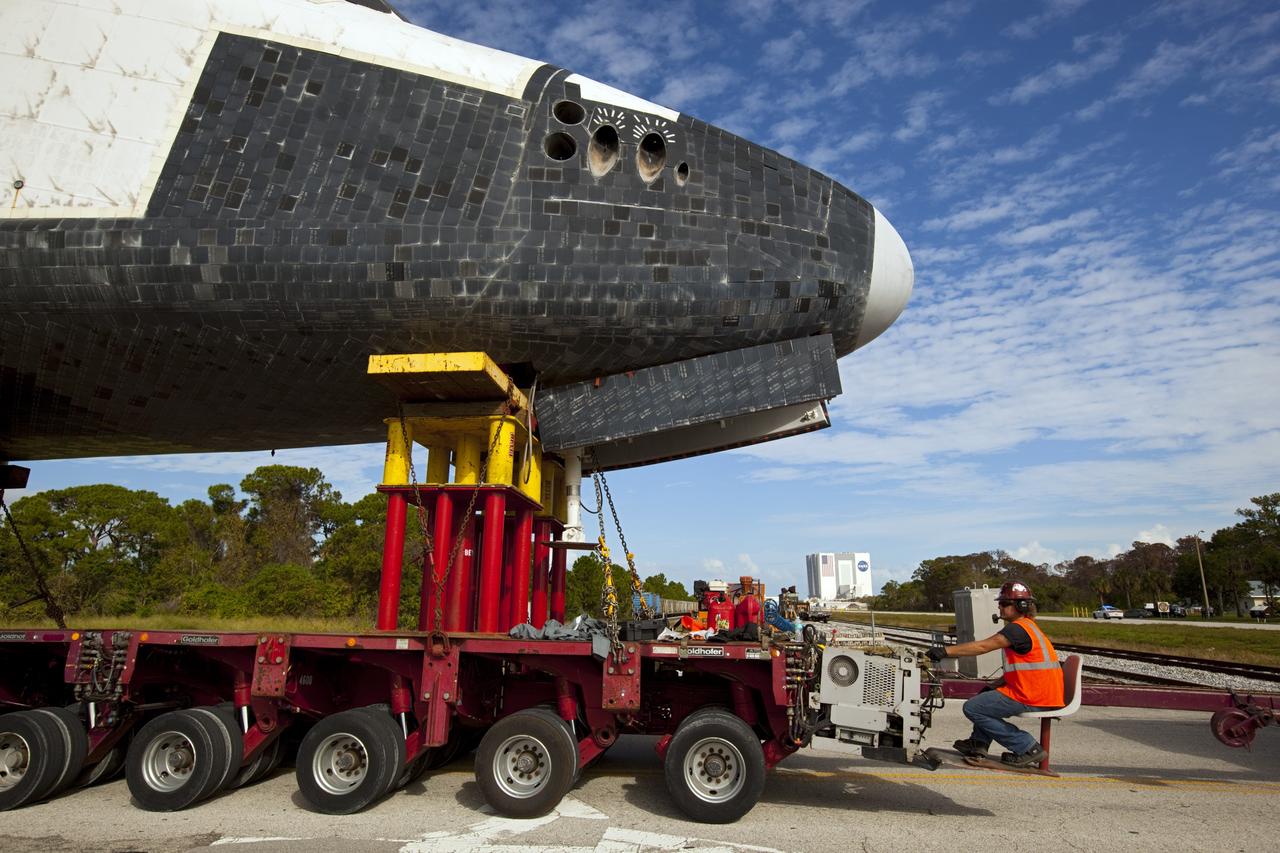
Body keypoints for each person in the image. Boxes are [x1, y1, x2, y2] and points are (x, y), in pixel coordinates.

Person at [926, 581, 1064, 767]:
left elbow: (983, 646)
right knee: (985, 696)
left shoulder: (1017, 629)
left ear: (1020, 606)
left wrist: (945, 651)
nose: (999, 606)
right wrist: (997, 684)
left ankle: (1027, 747)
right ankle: (979, 744)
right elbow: (1027, 668)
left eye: (1005, 603)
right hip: (1038, 691)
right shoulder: (1027, 627)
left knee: (973, 708)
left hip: (1034, 695)